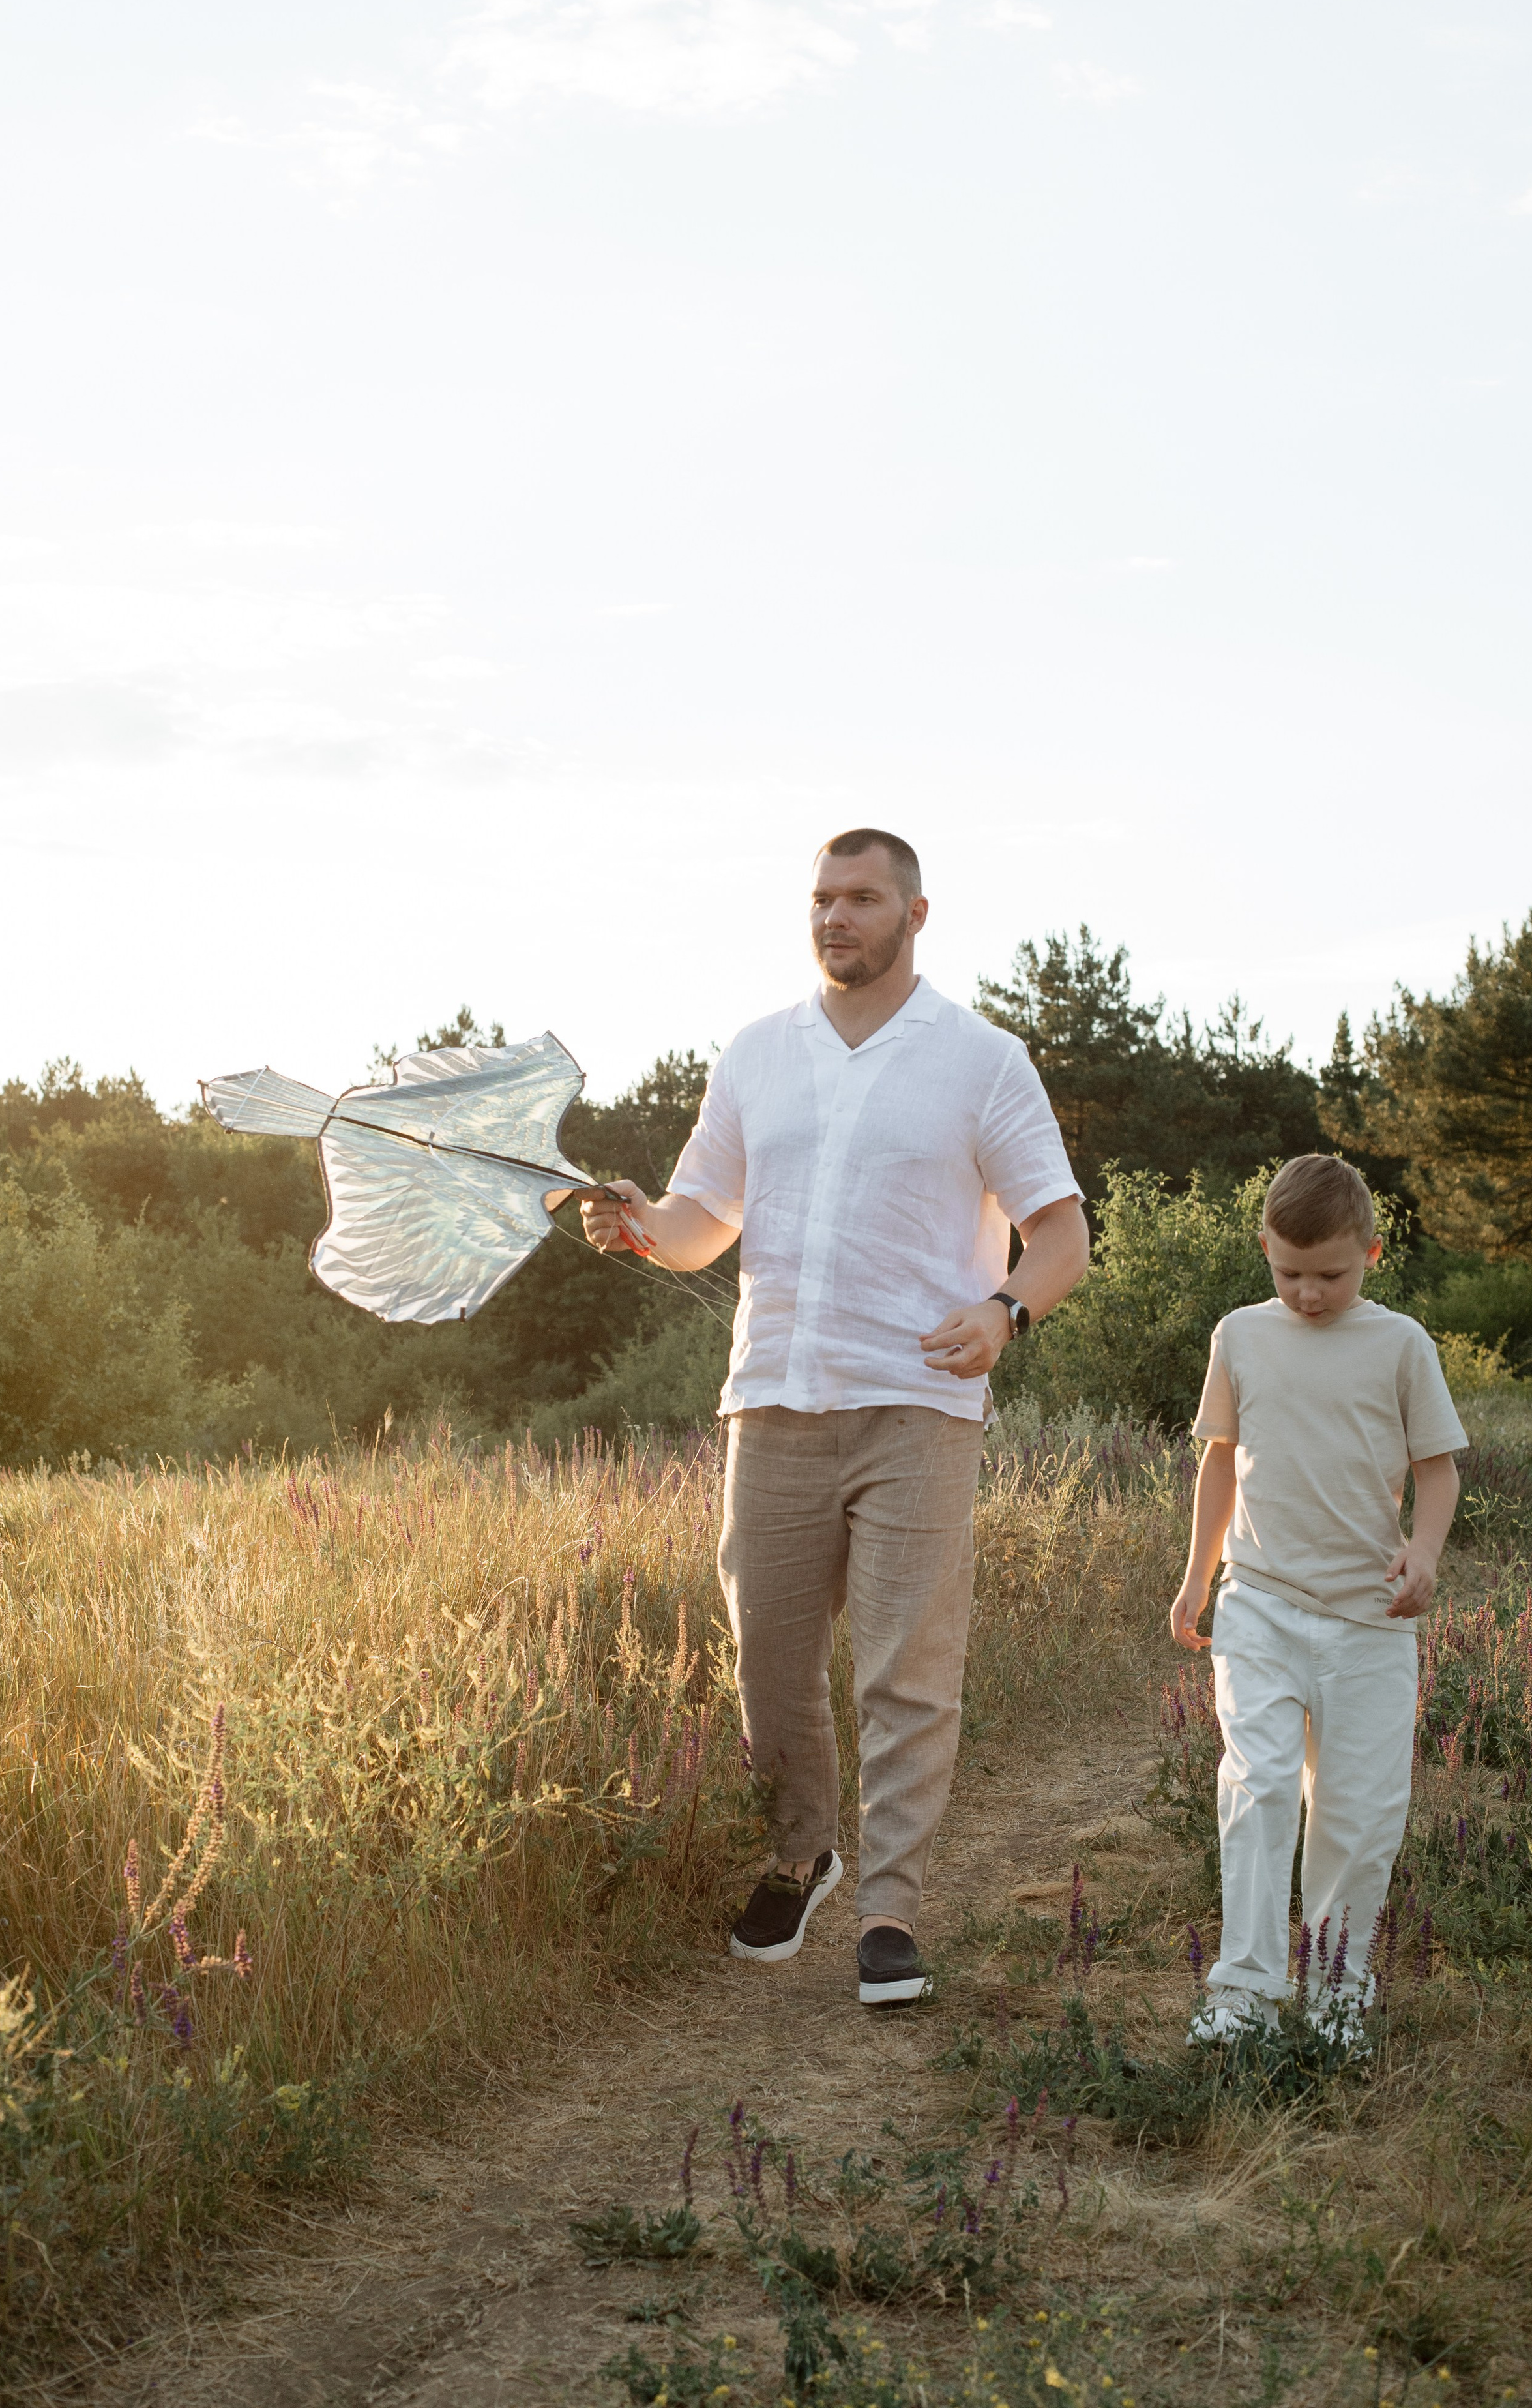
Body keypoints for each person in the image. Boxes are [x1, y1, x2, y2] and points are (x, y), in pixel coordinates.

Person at [581, 829, 1087, 2005]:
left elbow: (1060, 1234)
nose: (835, 917)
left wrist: (1007, 1309)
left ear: (917, 914)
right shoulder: (756, 1054)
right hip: (773, 1398)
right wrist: (642, 1223)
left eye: (861, 898)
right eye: (821, 898)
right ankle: (802, 1853)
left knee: (906, 1663)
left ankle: (892, 1910)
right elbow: (703, 1220)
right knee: (769, 1655)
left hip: (919, 1398)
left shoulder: (980, 1059)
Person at [1170, 1152, 1466, 2044]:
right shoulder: (1241, 1337)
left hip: (1369, 1621)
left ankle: (1338, 1989)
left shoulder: (1402, 1344)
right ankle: (1244, 1994)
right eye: (1288, 1272)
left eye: (1330, 1274)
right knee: (1255, 1785)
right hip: (1259, 1599)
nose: (1307, 1292)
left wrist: (1423, 1551)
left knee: (1359, 1810)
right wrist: (1198, 1577)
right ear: (1265, 1248)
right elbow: (1220, 1462)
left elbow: (1437, 1469)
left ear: (1371, 1254)